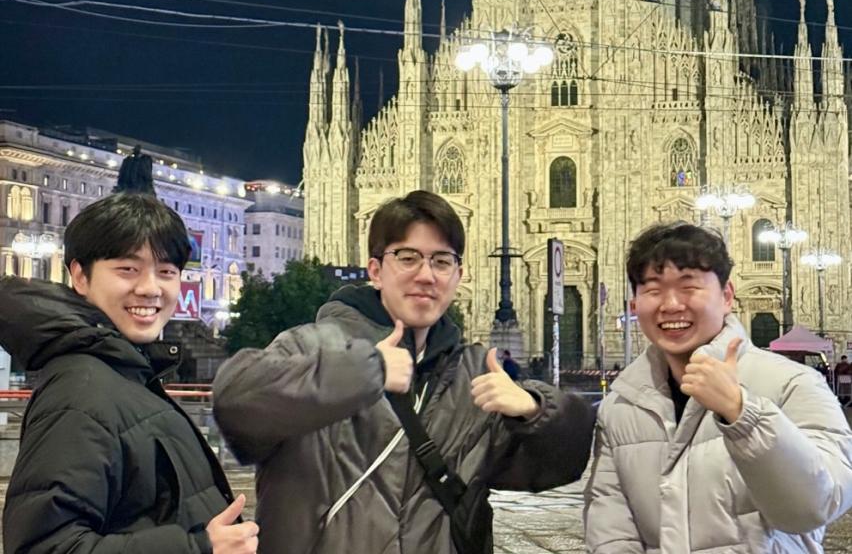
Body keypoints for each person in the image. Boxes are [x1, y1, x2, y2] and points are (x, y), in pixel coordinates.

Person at [213, 190, 595, 553]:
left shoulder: (474, 374)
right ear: (376, 271)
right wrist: (365, 371)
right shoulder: (312, 346)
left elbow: (561, 464)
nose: (426, 275)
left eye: (441, 261)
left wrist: (534, 409)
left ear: (458, 276)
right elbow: (236, 406)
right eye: (408, 258)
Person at [0, 193, 258, 554]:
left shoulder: (126, 376)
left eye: (167, 272)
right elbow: (44, 547)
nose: (151, 288)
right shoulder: (81, 394)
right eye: (128, 269)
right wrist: (198, 547)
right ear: (80, 275)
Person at [584, 222, 852, 553]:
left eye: (689, 287)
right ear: (635, 305)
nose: (670, 304)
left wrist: (743, 414)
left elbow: (815, 506)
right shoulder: (622, 406)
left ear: (727, 297)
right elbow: (611, 533)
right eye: (652, 289)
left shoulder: (794, 384)